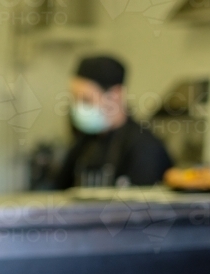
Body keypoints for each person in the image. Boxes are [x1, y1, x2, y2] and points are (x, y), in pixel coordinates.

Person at [54, 55, 173, 189]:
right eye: (74, 99)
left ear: (115, 95)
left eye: (86, 100)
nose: (78, 108)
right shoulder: (82, 145)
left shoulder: (145, 148)